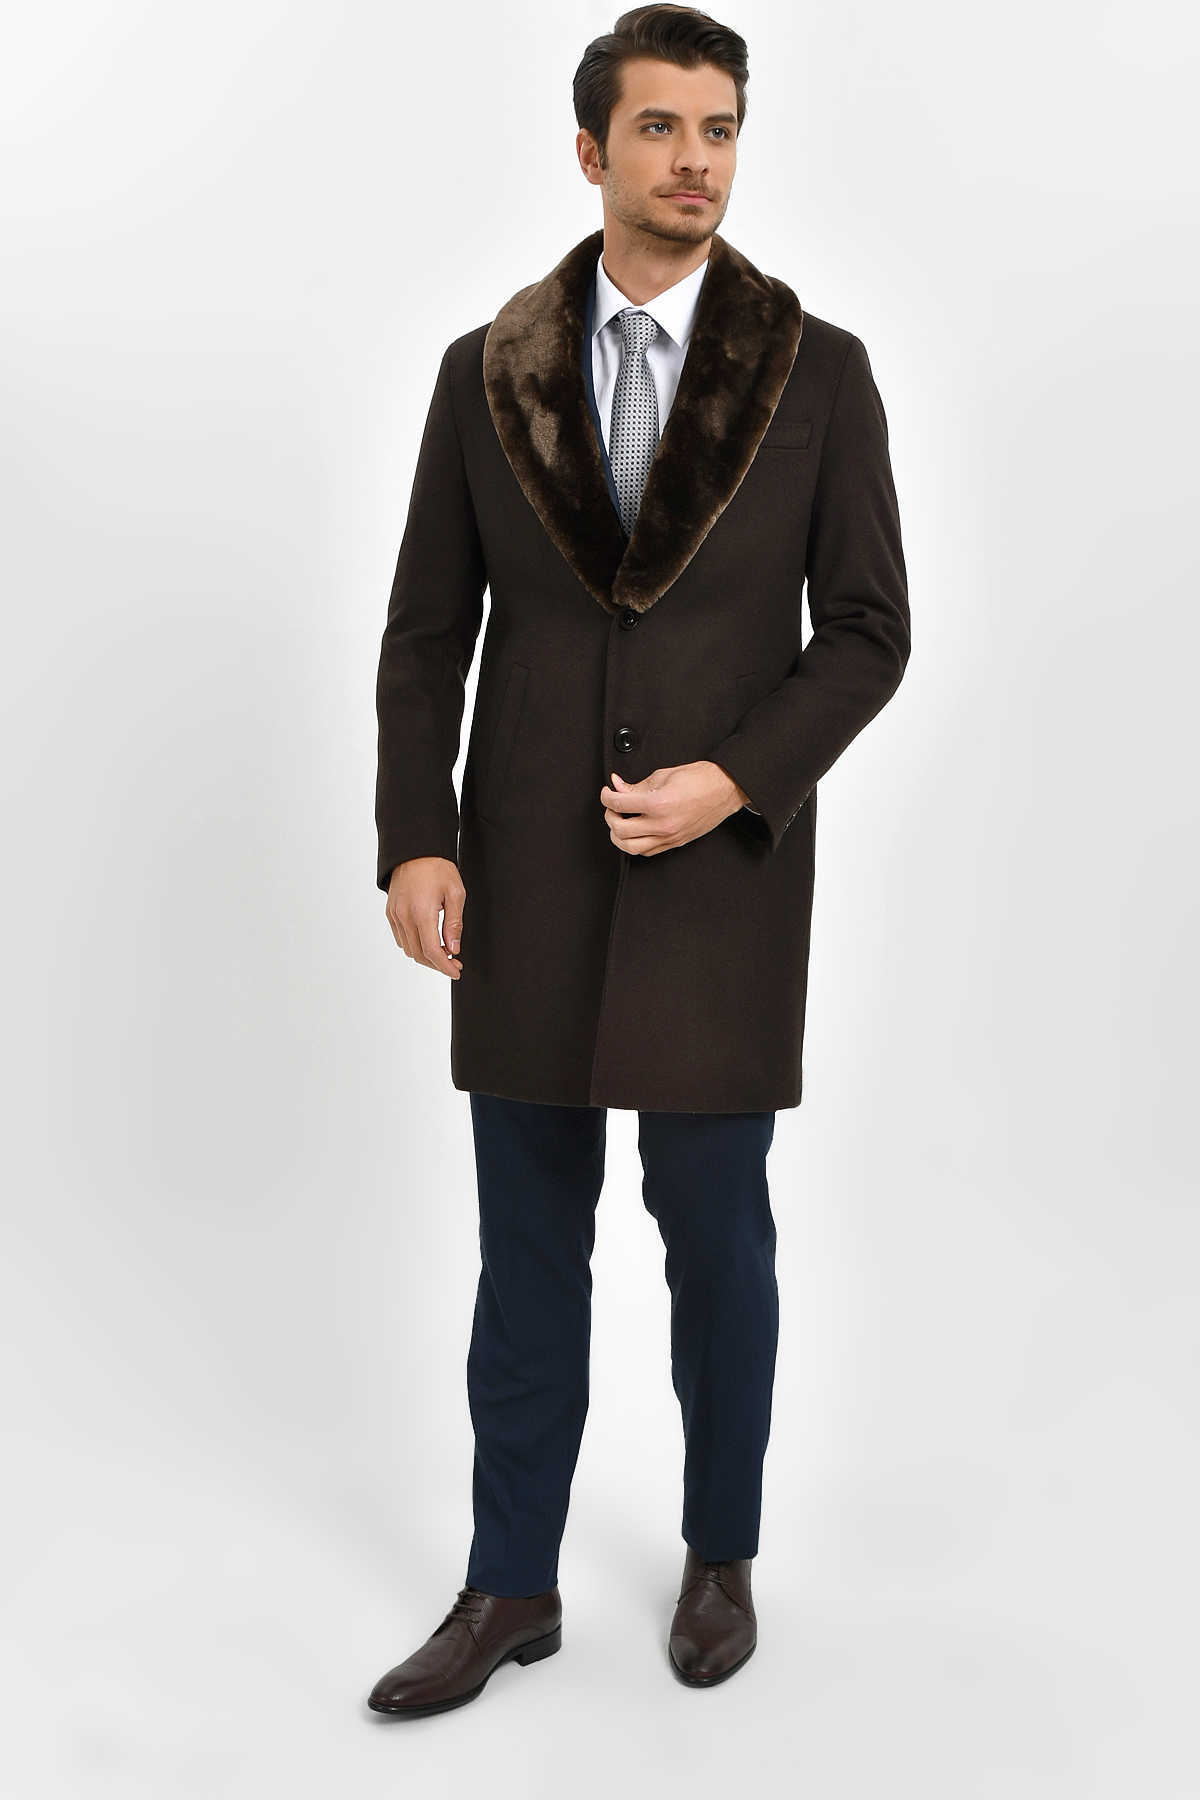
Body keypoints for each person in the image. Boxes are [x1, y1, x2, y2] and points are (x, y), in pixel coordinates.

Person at [368, 3, 910, 1716]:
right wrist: (415, 839)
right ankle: (508, 1583)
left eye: (721, 128)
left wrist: (735, 780)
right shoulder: (487, 370)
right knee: (524, 1253)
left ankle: (721, 1554)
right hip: (522, 879)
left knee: (716, 1241)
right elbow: (424, 637)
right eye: (663, 127)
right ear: (593, 149)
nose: (697, 160)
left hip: (717, 886)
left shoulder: (818, 373)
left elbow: (870, 631)